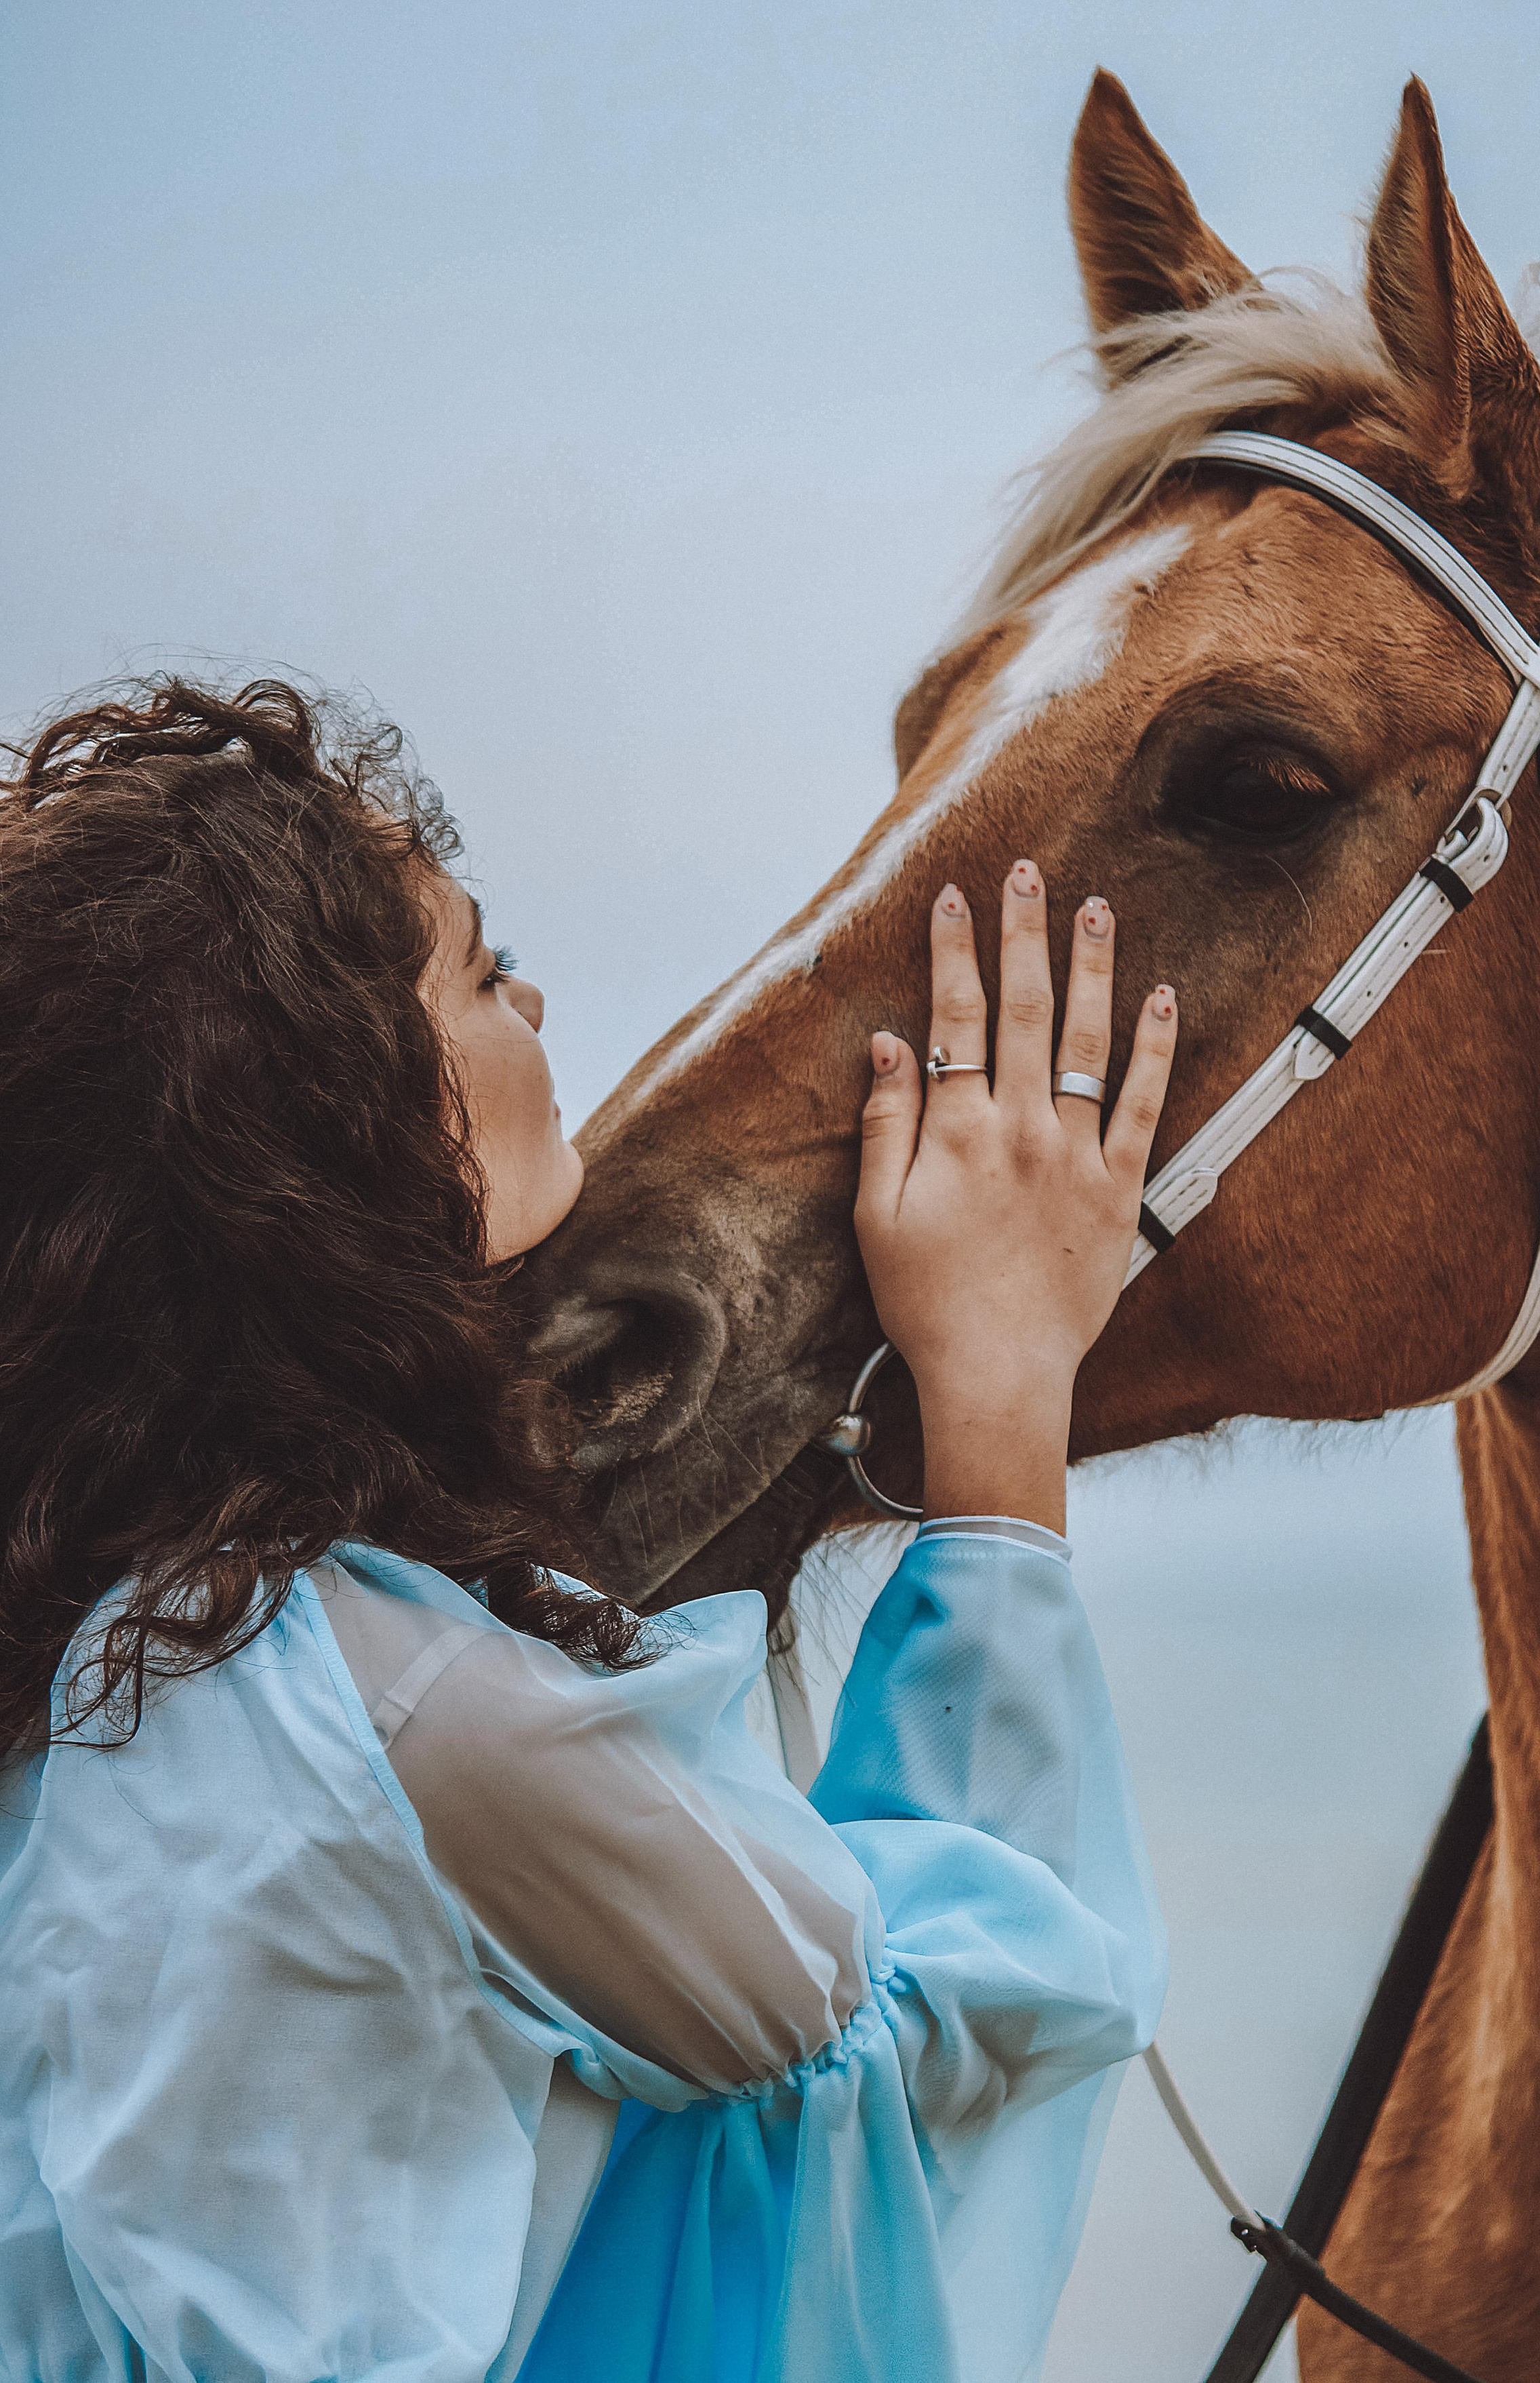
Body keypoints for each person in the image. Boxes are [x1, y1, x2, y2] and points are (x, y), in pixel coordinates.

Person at [0, 679, 1179, 2383]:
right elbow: (918, 2037)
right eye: (481, 972)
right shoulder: (401, 1704)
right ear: (341, 1113)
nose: (535, 1000)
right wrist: (1001, 1395)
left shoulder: (93, 1648)